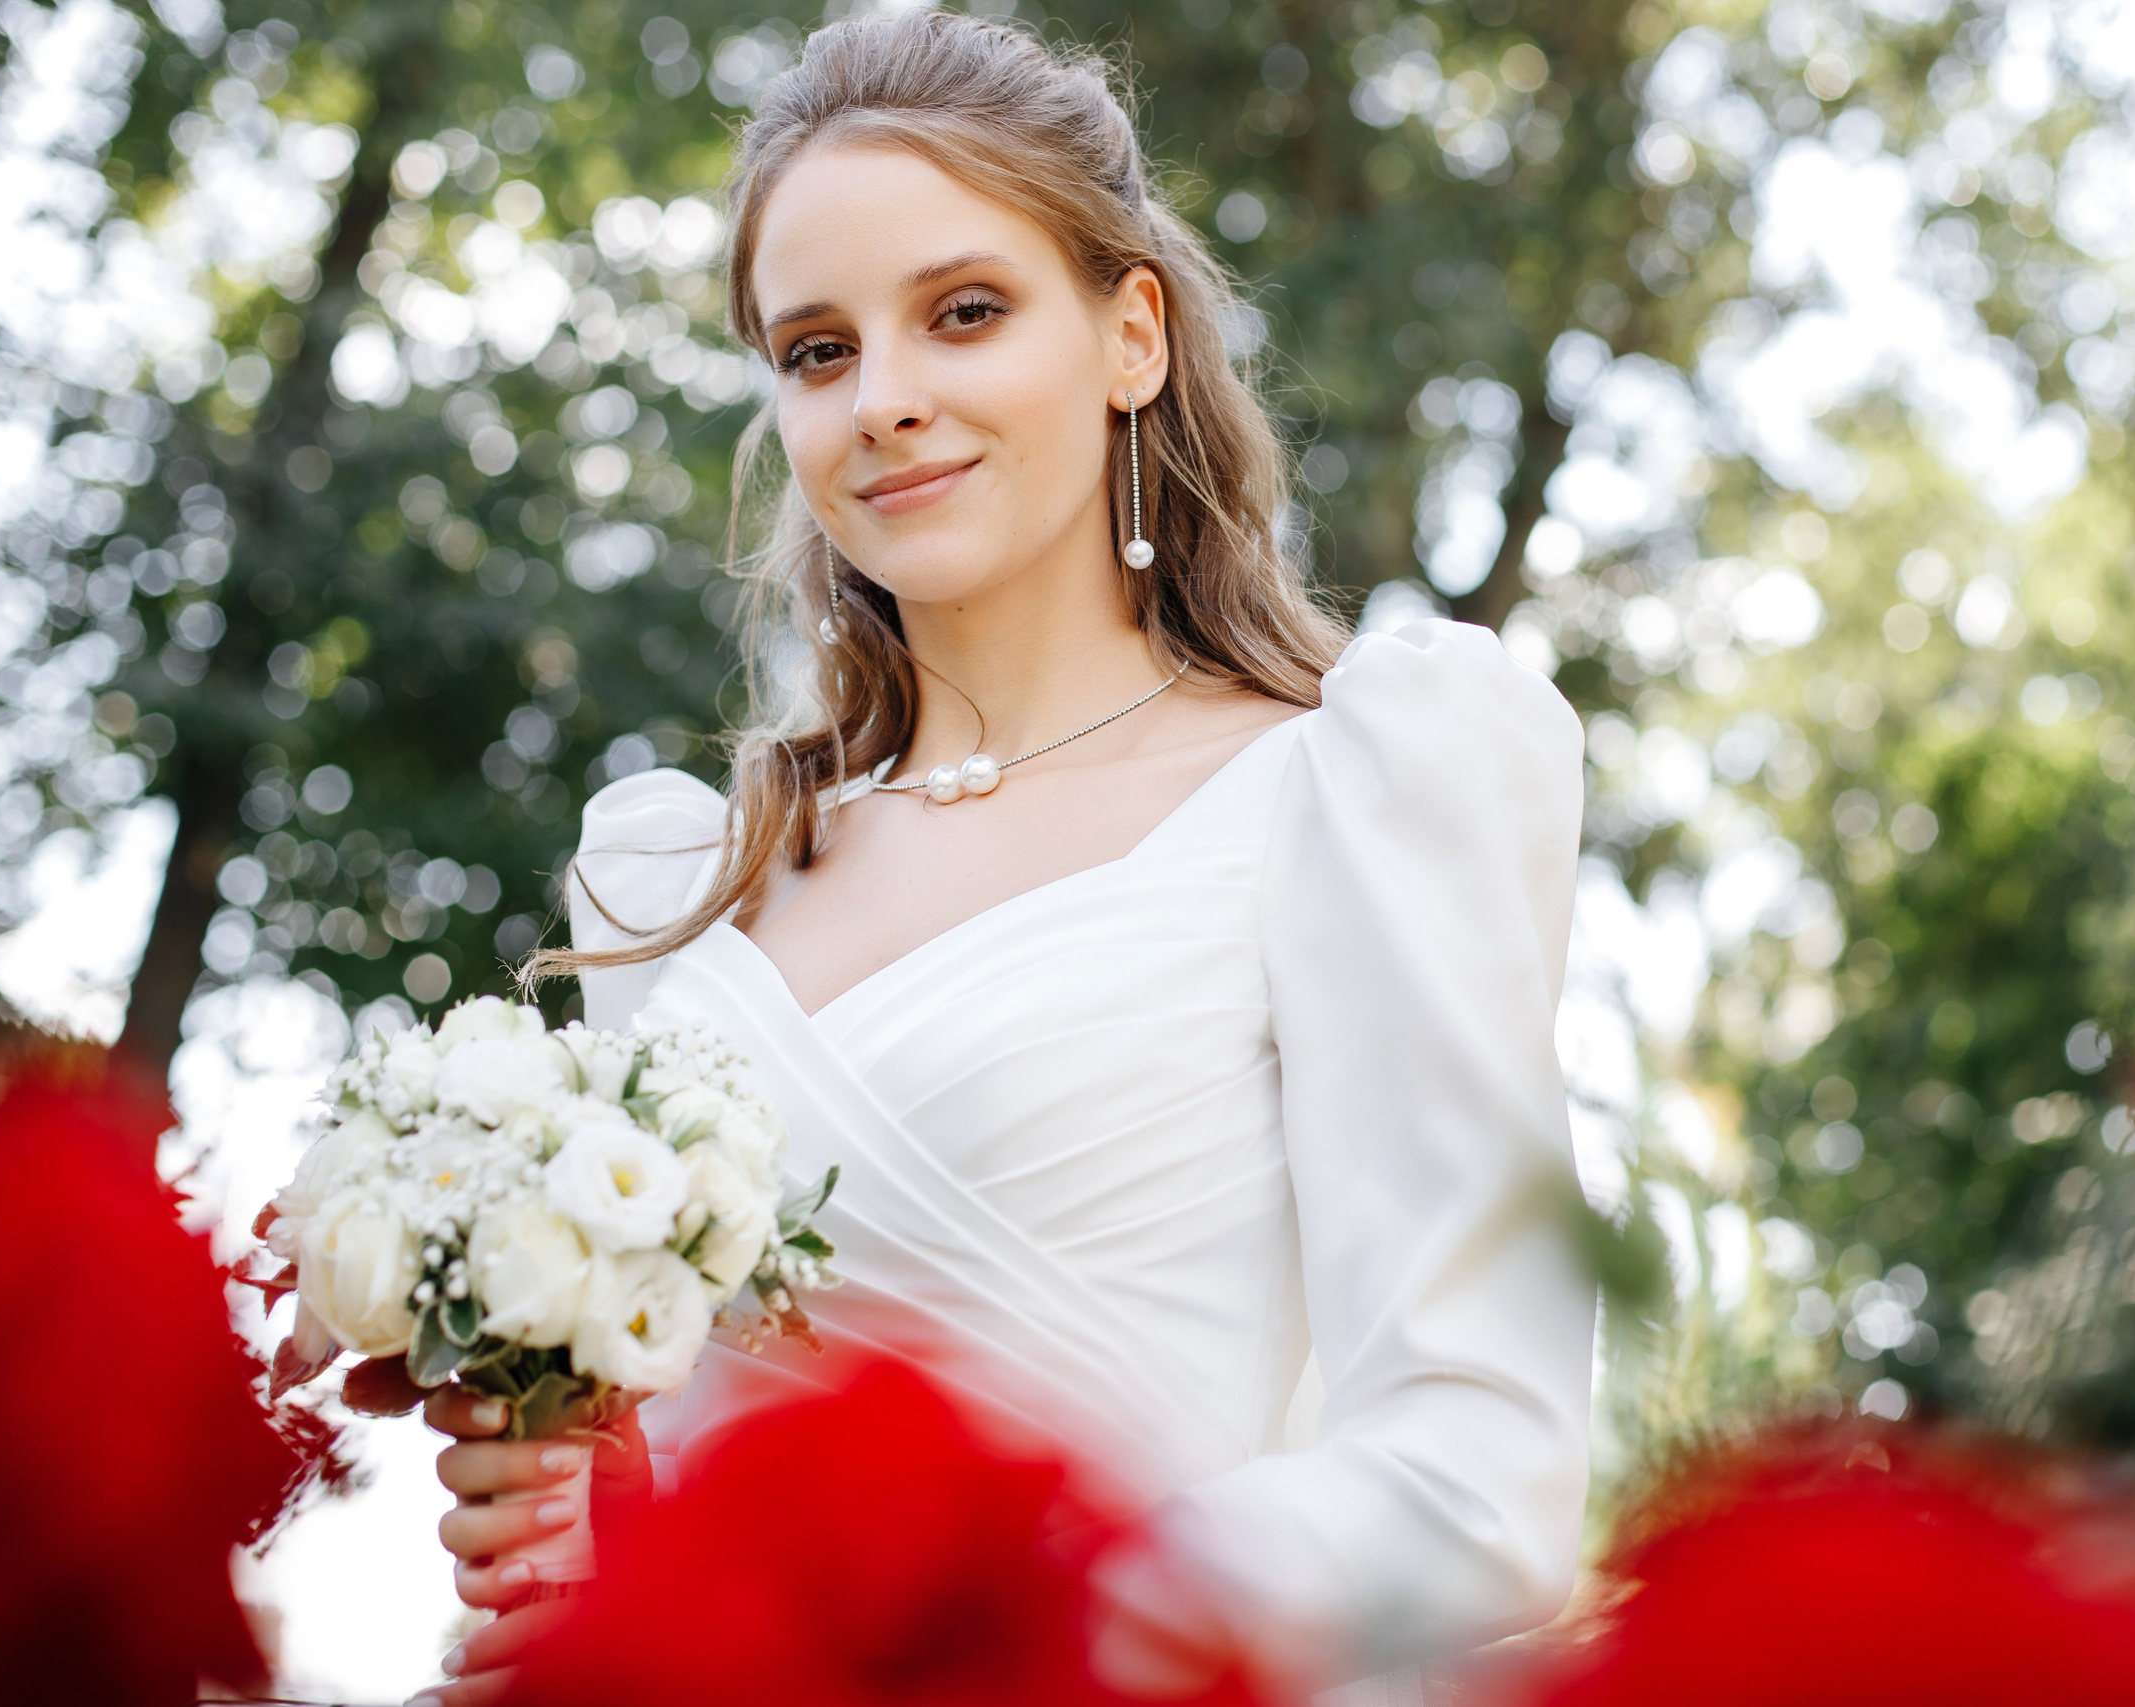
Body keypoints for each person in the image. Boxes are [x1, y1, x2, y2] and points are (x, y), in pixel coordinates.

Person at [412, 13, 1591, 1705]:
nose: (885, 402)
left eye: (963, 313)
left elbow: (1481, 1478)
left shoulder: (1350, 790)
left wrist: (931, 1622)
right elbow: (663, 1488)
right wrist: (595, 1531)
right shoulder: (676, 888)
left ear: (1130, 336)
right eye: (817, 352)